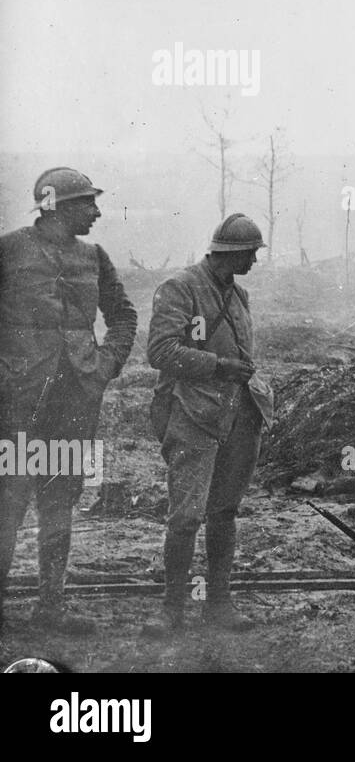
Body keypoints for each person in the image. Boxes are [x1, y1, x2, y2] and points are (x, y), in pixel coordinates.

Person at [0, 168, 138, 636]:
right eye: (86, 204)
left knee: (61, 498)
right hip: (18, 400)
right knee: (10, 498)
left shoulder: (94, 256)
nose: (97, 212)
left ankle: (51, 608)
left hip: (76, 398)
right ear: (54, 205)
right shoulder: (9, 249)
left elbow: (123, 314)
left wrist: (104, 366)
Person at [142, 214, 274, 637]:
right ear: (231, 253)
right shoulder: (180, 288)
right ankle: (171, 610)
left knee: (224, 513)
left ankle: (219, 604)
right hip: (192, 414)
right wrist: (219, 366)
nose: (255, 260)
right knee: (185, 517)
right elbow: (161, 351)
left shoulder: (240, 296)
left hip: (239, 415)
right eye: (251, 253)